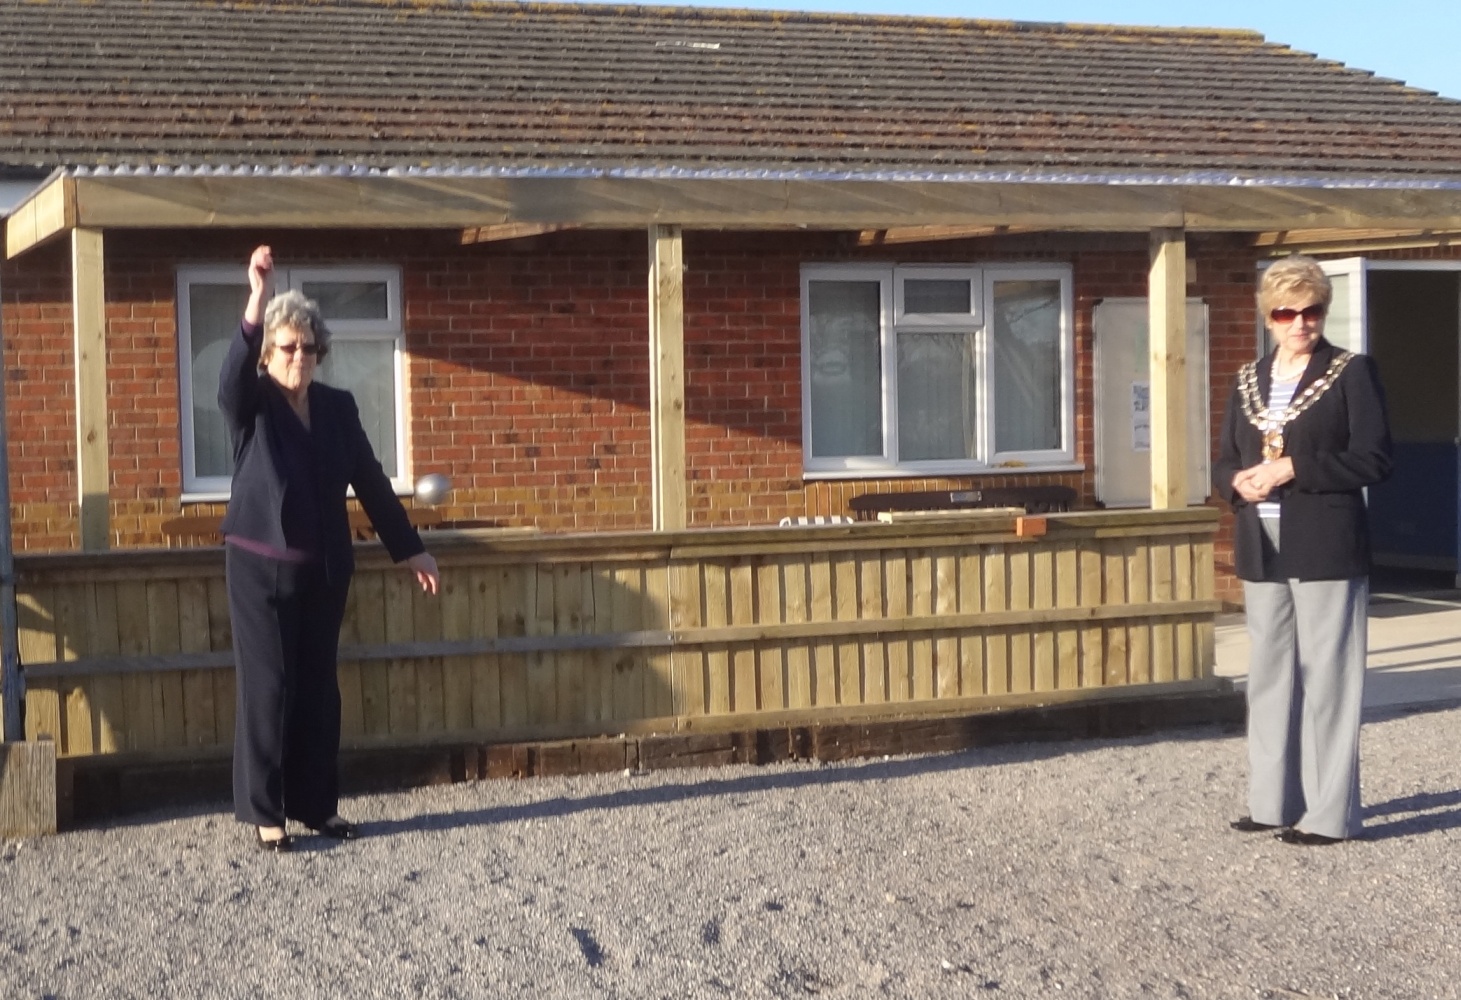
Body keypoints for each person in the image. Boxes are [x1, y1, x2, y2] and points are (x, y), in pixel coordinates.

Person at [220, 245, 441, 853]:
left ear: (320, 352)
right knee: (268, 686)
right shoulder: (254, 403)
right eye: (286, 347)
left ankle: (316, 806)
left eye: (307, 347)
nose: (298, 357)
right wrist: (256, 297)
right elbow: (230, 381)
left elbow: (370, 479)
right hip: (259, 569)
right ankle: (267, 814)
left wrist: (411, 550)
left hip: (323, 572)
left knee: (319, 687)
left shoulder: (339, 409)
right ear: (269, 354)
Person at [1214, 254, 1391, 846]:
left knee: (1329, 681)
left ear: (1323, 310)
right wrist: (1235, 482)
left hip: (1326, 544)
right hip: (1260, 543)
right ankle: (1272, 803)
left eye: (1310, 310)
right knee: (1269, 676)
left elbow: (1375, 459)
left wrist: (1293, 466)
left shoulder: (1351, 372)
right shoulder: (1245, 379)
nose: (1300, 323)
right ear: (1269, 316)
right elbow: (1223, 459)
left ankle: (1329, 815)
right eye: (1287, 312)